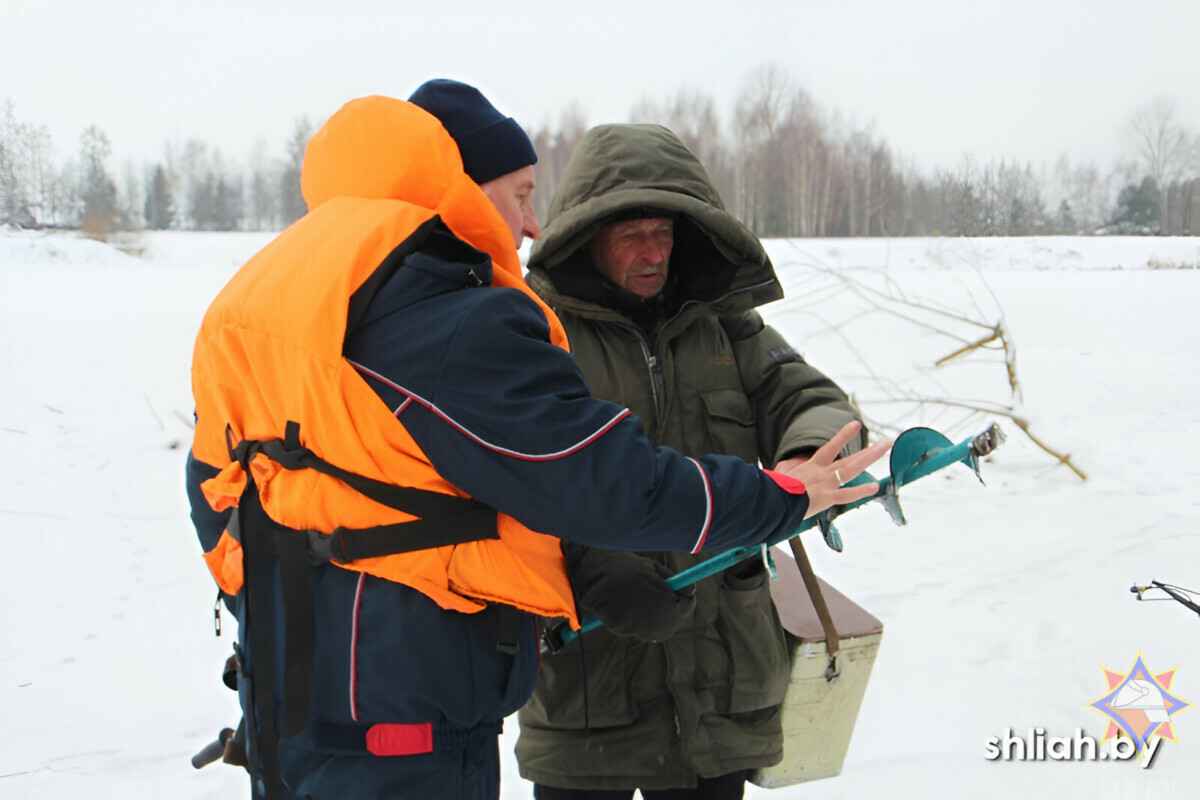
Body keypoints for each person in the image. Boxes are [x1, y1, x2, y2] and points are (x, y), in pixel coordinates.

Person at [184, 81, 887, 800]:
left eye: (666, 232)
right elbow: (584, 476)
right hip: (460, 711)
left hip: (307, 702)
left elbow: (216, 494)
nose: (529, 224)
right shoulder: (458, 317)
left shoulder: (281, 292)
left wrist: (284, 602)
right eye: (520, 194)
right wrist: (761, 503)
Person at [516, 123, 867, 800]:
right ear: (588, 235)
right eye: (632, 235)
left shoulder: (723, 326)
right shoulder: (536, 331)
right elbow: (507, 479)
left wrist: (804, 467)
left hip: (719, 689)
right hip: (592, 699)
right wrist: (590, 566)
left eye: (666, 234)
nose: (654, 254)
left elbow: (815, 401)